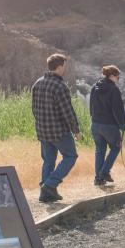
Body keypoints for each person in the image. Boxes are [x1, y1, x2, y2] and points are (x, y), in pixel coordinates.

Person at [31, 53, 81, 203]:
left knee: (48, 161)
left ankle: (45, 194)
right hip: (59, 132)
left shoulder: (37, 83)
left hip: (43, 131)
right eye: (64, 66)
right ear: (59, 67)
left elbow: (34, 110)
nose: (64, 69)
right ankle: (50, 185)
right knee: (71, 156)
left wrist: (41, 125)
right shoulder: (60, 86)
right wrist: (76, 131)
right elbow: (67, 112)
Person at [89, 65, 125, 186]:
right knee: (116, 148)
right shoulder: (114, 89)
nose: (118, 79)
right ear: (112, 76)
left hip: (95, 124)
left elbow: (91, 107)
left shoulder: (94, 87)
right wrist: (122, 125)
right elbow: (118, 110)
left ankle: (98, 179)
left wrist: (94, 119)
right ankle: (104, 172)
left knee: (99, 151)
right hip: (109, 125)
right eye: (118, 77)